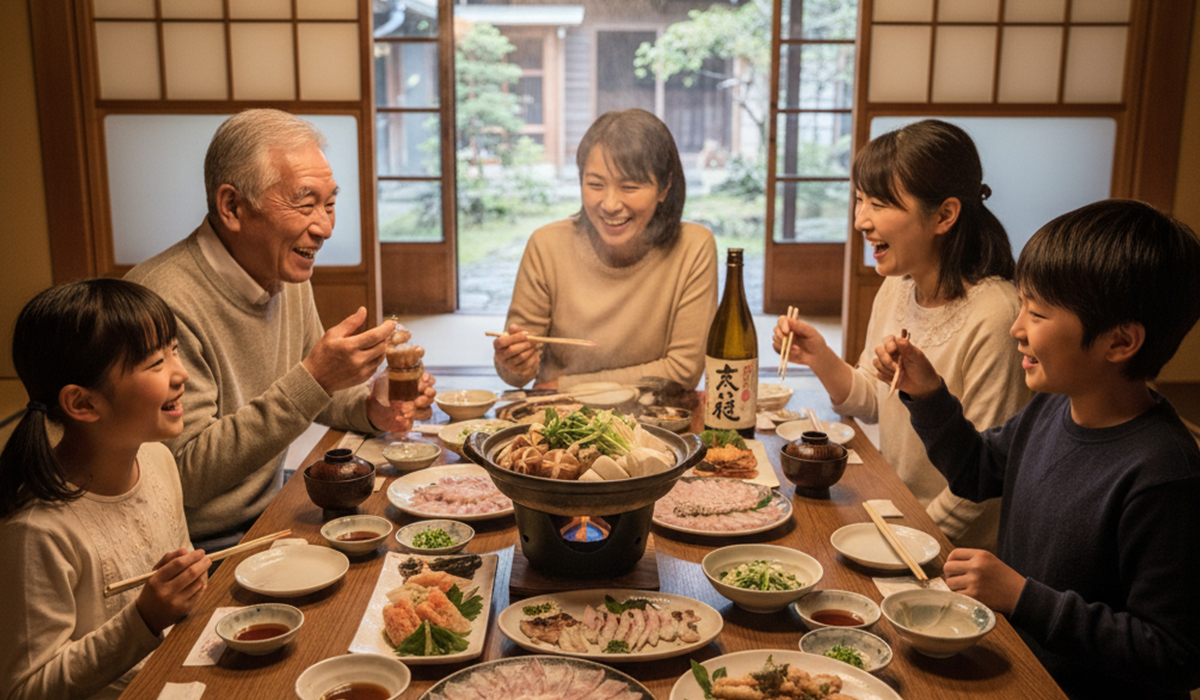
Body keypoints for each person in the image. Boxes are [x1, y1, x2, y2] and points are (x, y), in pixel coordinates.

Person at [883, 199, 1200, 699]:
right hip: (1017, 667)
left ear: (1120, 342)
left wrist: (1024, 597)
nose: (1017, 328)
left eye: (1038, 312)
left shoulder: (1163, 472)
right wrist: (927, 394)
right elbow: (977, 471)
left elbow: (1174, 654)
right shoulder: (1053, 408)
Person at [126, 108, 434, 545]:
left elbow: (313, 394)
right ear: (232, 206)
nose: (324, 227)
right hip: (193, 543)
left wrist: (369, 405)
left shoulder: (282, 272)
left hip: (271, 508)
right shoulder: (159, 304)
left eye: (329, 204)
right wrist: (318, 377)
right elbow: (185, 474)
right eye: (305, 204)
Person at [773, 119, 1030, 550]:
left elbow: (983, 483)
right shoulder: (898, 286)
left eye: (879, 203)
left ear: (945, 215)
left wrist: (907, 541)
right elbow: (874, 401)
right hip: (893, 510)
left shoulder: (996, 317)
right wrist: (819, 356)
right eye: (859, 200)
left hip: (952, 550)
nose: (860, 221)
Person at [0, 279, 211, 700]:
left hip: (178, 676)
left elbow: (185, 606)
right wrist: (144, 618)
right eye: (155, 362)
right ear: (83, 403)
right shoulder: (36, 531)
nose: (181, 373)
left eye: (174, 349)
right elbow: (25, 689)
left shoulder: (157, 460)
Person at [494, 108, 718, 391]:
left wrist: (566, 385)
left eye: (629, 186)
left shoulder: (693, 248)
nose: (610, 204)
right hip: (557, 419)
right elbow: (517, 376)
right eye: (595, 184)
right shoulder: (547, 246)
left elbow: (683, 370)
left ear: (664, 188)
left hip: (651, 422)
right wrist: (513, 363)